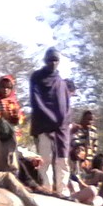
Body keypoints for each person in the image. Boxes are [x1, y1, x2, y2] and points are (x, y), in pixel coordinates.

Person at [30, 48, 72, 196]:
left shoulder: (61, 82)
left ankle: (62, 191)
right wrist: (50, 123)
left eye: (55, 60)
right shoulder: (37, 78)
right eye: (50, 60)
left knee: (63, 160)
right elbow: (36, 102)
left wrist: (62, 123)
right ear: (45, 60)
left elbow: (66, 106)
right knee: (45, 159)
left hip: (61, 128)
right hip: (44, 125)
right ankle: (46, 189)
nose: (53, 63)